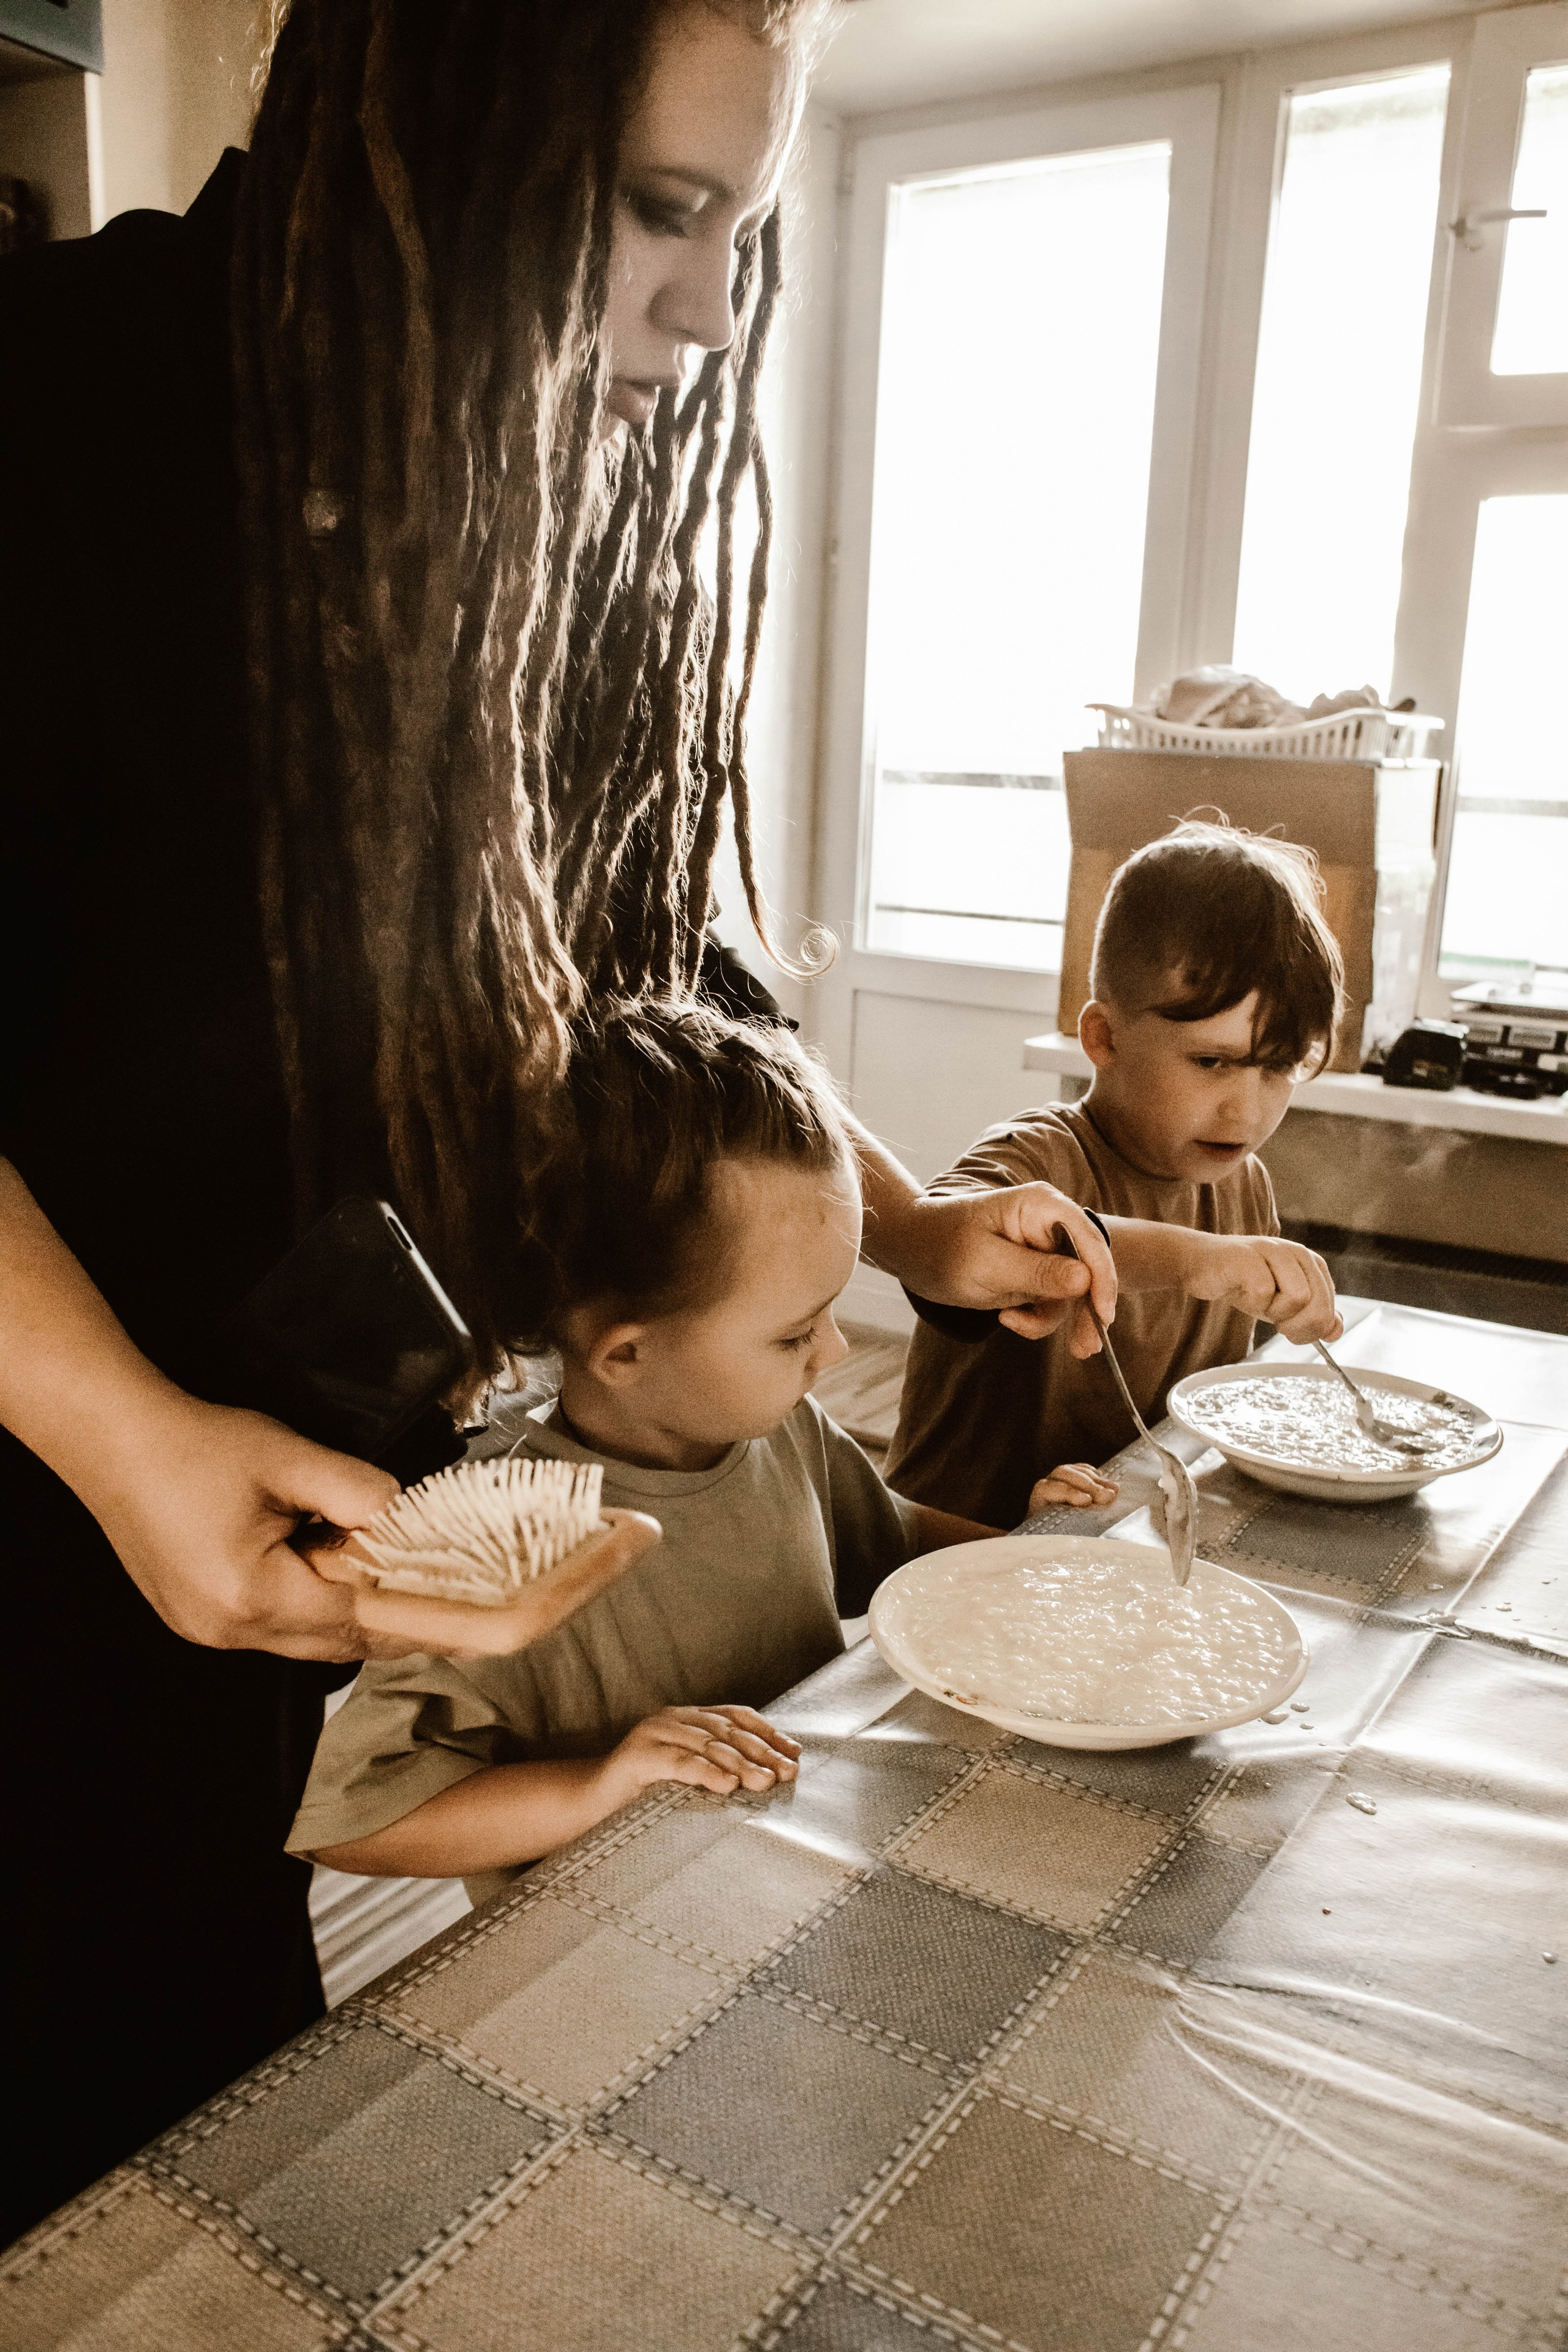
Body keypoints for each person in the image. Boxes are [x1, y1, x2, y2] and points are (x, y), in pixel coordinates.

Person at [0, 0, 1117, 2237]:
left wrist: (903, 1228)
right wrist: (117, 1432)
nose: (712, 309)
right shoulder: (51, 400)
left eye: (745, 227)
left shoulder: (543, 500)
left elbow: (652, 957)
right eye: (659, 211)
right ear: (429, 121)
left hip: (344, 1576)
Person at [287, 1003, 1107, 1896]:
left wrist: (1034, 1559)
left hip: (795, 1890)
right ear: (626, 1353)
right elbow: (361, 1820)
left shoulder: (777, 1431)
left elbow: (894, 1542)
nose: (834, 1353)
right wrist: (606, 1784)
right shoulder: (482, 1541)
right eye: (796, 1333)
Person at [885, 821, 1347, 1529]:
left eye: (1278, 1068)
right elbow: (946, 1245)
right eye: (1211, 1062)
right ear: (1102, 1038)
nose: (1247, 1109)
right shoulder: (1034, 1159)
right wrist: (1197, 1261)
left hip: (1118, 1541)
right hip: (959, 1547)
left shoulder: (1242, 1182)